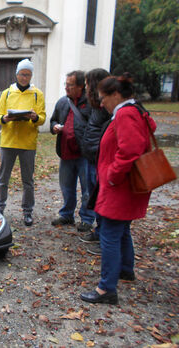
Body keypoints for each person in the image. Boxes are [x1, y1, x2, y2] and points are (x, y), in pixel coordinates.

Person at [80, 73, 156, 305]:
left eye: (104, 98)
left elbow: (130, 150)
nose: (101, 103)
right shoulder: (136, 111)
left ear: (116, 95)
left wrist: (112, 176)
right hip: (126, 186)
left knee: (109, 234)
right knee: (121, 230)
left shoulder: (124, 114)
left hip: (120, 187)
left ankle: (106, 289)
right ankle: (125, 269)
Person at [0, 59, 46, 226]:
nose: (25, 77)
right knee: (3, 178)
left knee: (28, 181)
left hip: (28, 143)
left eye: (28, 74)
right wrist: (5, 118)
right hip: (8, 142)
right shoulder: (7, 93)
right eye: (22, 74)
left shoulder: (37, 93)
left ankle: (27, 212)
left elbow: (42, 118)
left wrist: (35, 117)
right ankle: (0, 208)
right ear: (17, 74)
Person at [50, 70, 94, 232]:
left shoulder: (90, 103)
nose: (66, 88)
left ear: (81, 86)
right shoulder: (62, 102)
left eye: (70, 85)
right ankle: (67, 214)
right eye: (66, 84)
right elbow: (53, 119)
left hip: (84, 155)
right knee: (67, 188)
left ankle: (87, 218)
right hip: (66, 154)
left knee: (87, 190)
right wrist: (54, 127)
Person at [79, 69, 111, 256]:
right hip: (91, 158)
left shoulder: (106, 106)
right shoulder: (95, 105)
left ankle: (104, 237)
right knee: (95, 197)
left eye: (87, 83)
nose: (85, 87)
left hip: (99, 160)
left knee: (102, 199)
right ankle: (99, 232)